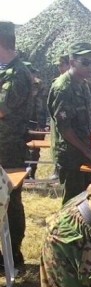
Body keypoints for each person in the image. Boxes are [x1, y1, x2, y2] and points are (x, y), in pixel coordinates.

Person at [47, 42, 91, 205]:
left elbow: (84, 122)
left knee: (89, 198)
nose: (90, 67)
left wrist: (89, 148)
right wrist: (87, 151)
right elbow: (65, 128)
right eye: (85, 62)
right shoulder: (63, 88)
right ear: (72, 62)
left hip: (84, 150)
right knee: (72, 202)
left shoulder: (83, 84)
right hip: (71, 154)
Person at [0, 21, 32, 267]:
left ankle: (13, 254)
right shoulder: (7, 70)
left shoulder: (17, 73)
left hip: (8, 148)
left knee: (9, 201)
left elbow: (2, 109)